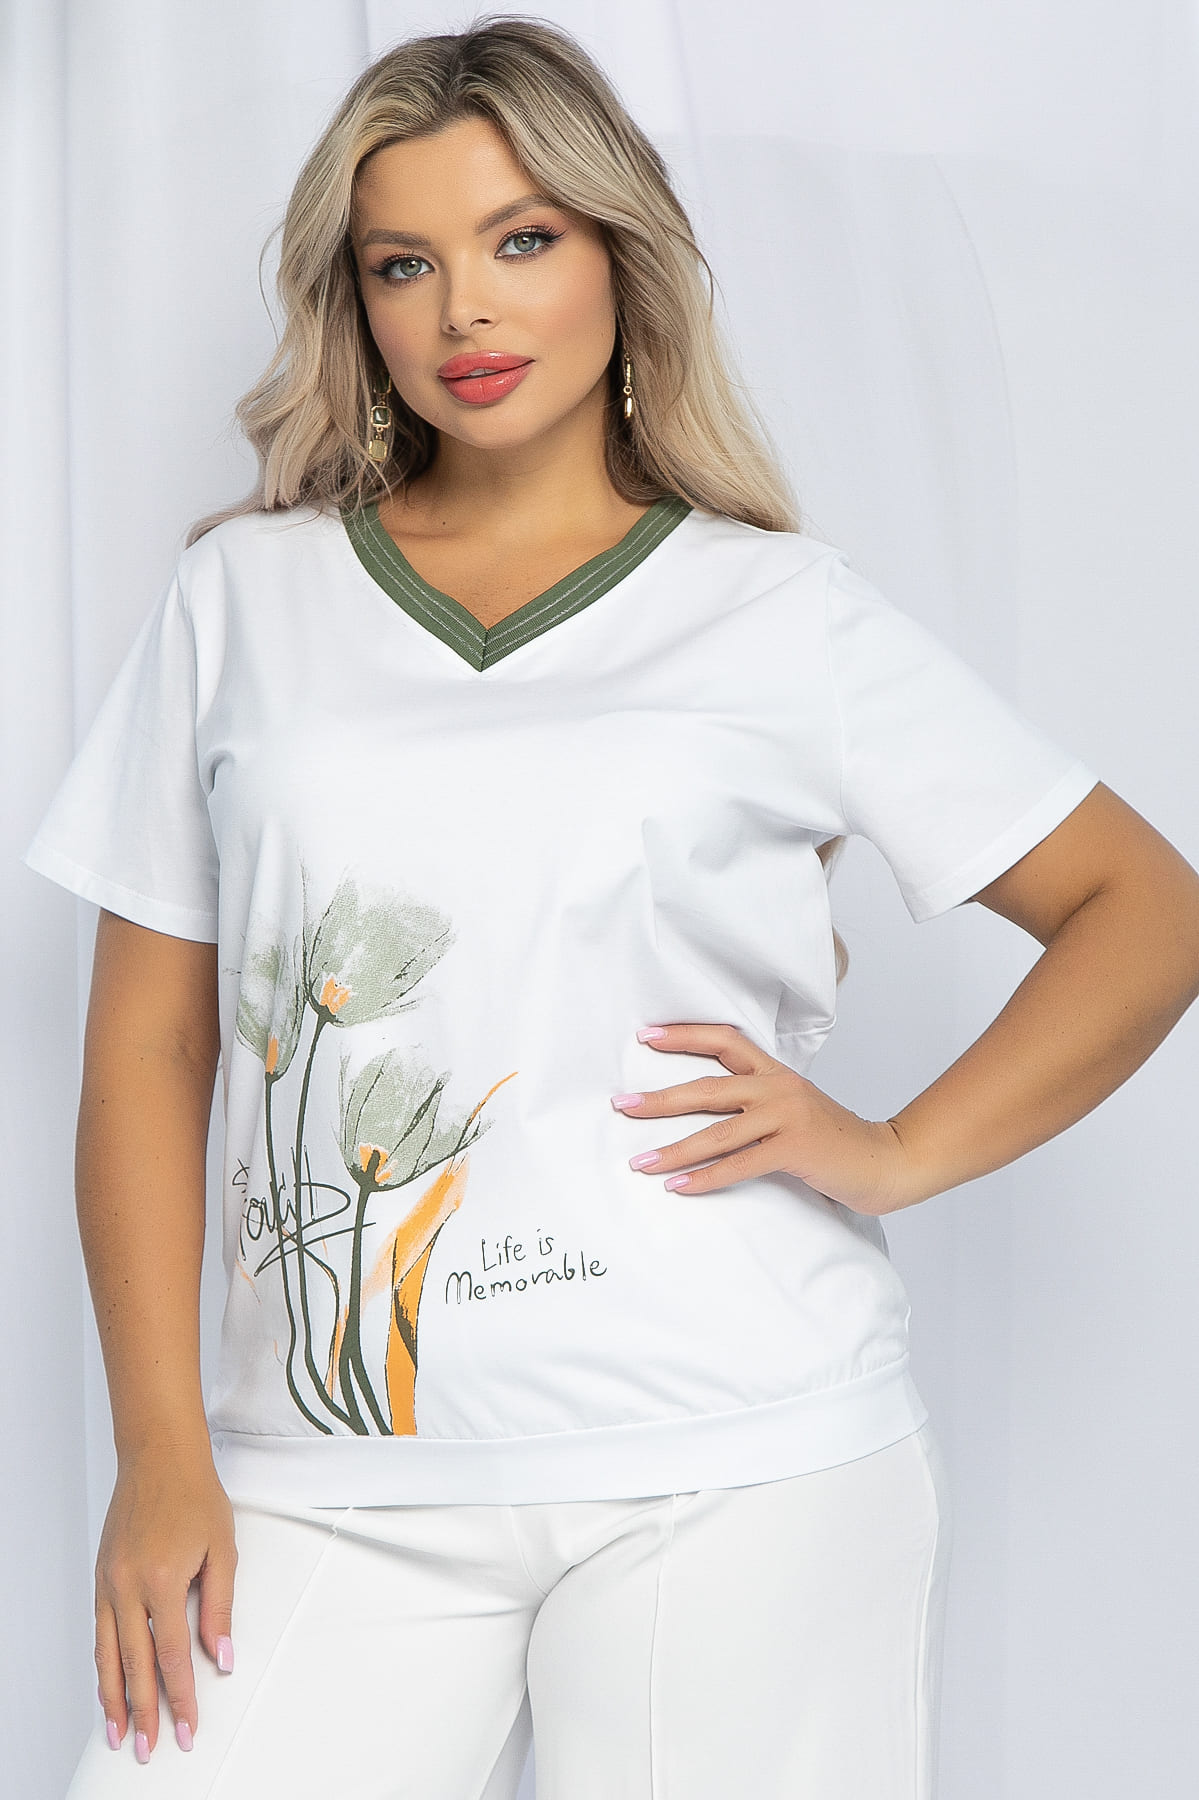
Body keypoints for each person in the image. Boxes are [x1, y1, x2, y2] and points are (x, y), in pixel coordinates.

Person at [23, 16, 1199, 1799]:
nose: (463, 312)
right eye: (403, 263)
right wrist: (157, 1451)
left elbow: (1143, 907)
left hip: (741, 1458)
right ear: (358, 301)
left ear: (619, 254)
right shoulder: (239, 603)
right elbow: (148, 1047)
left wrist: (896, 1150)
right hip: (328, 1476)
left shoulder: (779, 613)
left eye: (522, 240)